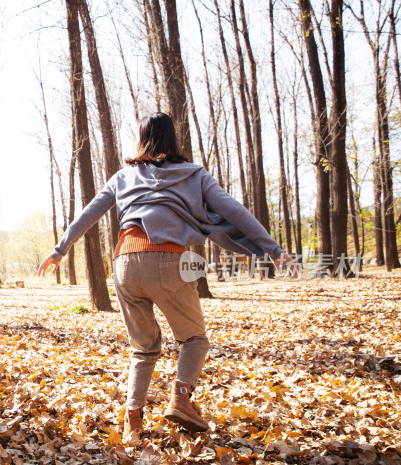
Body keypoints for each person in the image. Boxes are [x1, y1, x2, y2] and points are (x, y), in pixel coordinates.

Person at [38, 113, 298, 444]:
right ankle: (180, 397)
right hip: (169, 260)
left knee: (144, 349)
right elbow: (235, 211)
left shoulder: (123, 176)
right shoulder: (194, 175)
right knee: (194, 340)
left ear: (142, 139)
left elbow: (88, 214)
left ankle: (132, 424)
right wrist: (273, 250)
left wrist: (59, 251)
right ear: (172, 140)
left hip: (125, 263)